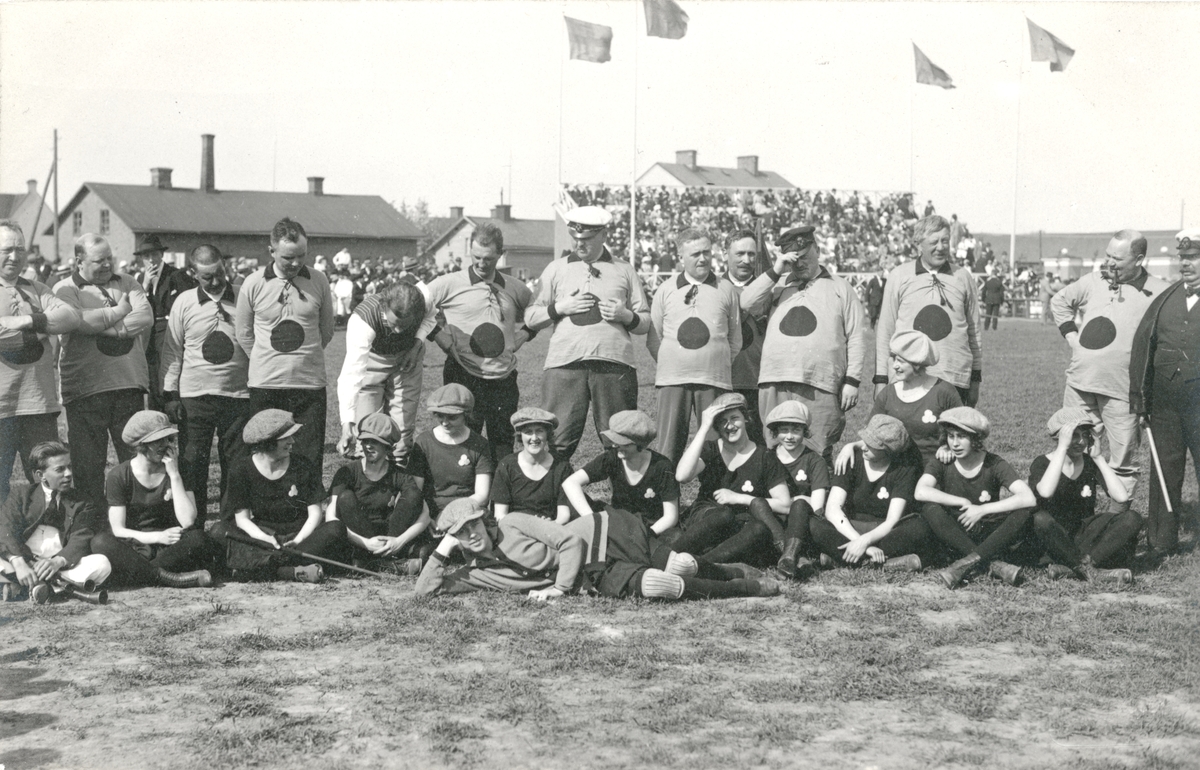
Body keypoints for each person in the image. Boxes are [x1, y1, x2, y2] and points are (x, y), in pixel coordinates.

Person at [415, 497, 780, 600]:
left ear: (485, 521)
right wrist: (442, 550)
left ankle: (733, 572)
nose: (472, 535)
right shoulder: (477, 573)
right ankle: (741, 590)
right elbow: (425, 591)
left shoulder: (512, 523)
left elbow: (569, 539)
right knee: (657, 586)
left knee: (682, 564)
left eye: (474, 525)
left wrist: (558, 589)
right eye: (462, 534)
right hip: (591, 571)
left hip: (603, 534)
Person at [1051, 230, 1169, 511]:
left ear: (1139, 259)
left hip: (1123, 391)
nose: (1110, 263)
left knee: (1122, 461)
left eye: (1117, 258)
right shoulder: (1094, 280)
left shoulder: (1161, 291)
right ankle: (1073, 516)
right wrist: (1071, 336)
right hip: (1080, 383)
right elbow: (1060, 302)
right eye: (1107, 256)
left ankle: (1117, 529)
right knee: (1072, 449)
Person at [525, 206, 651, 460]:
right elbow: (531, 317)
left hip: (614, 366)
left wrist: (625, 315)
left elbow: (645, 322)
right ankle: (551, 499)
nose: (579, 244)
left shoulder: (624, 270)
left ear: (604, 235)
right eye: (576, 238)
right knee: (556, 440)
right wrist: (559, 307)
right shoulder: (556, 268)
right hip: (565, 365)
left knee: (621, 439)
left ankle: (624, 499)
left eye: (587, 239)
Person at [739, 225, 866, 459]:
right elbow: (747, 303)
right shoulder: (777, 285)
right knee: (774, 446)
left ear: (817, 250)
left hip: (820, 381)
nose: (800, 264)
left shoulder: (841, 287)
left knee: (817, 447)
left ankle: (817, 493)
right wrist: (776, 270)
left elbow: (857, 335)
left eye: (805, 256)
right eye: (794, 260)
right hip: (775, 379)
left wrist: (852, 380)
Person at [418, 224, 535, 458]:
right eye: (476, 257)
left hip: (503, 378)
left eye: (489, 259)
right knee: (463, 442)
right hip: (463, 374)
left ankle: (497, 493)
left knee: (502, 442)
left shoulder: (514, 286)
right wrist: (437, 334)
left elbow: (539, 310)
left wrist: (524, 334)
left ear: (500, 255)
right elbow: (412, 303)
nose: (482, 264)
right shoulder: (449, 282)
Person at [55, 233, 154, 506]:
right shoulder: (65, 289)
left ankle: (138, 520)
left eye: (110, 258)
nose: (108, 265)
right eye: (100, 260)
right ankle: (92, 526)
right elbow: (79, 322)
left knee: (136, 462)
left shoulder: (128, 281)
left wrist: (111, 330)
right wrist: (120, 310)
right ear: (79, 262)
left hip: (128, 386)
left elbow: (145, 316)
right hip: (85, 391)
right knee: (88, 468)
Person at [235, 217, 335, 472]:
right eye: (288, 258)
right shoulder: (253, 283)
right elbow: (244, 333)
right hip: (266, 384)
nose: (296, 263)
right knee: (266, 454)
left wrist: (302, 356)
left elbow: (327, 330)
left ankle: (308, 510)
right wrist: (267, 358)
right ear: (271, 252)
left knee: (308, 455)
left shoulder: (319, 280)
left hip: (308, 384)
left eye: (301, 256)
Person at [162, 245, 251, 523]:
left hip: (237, 395)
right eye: (207, 277)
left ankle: (229, 527)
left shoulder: (244, 297)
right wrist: (170, 395)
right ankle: (194, 527)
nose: (215, 282)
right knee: (192, 465)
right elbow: (172, 351)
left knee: (235, 465)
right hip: (194, 398)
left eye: (219, 274)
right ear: (193, 274)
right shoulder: (184, 302)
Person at [210, 409, 347, 582]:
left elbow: (315, 513)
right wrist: (265, 539)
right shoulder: (241, 469)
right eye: (286, 438)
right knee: (218, 531)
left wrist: (298, 540)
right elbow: (242, 519)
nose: (292, 441)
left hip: (300, 538)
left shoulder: (303, 465)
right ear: (267, 442)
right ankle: (289, 569)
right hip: (263, 539)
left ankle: (263, 568)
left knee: (335, 529)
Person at [1130, 227, 1200, 560]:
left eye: (1194, 257)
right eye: (1183, 257)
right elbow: (1143, 349)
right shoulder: (1165, 300)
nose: (1187, 264)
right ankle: (1161, 541)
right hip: (1165, 407)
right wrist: (1140, 401)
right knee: (1164, 471)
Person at [0, 220, 80, 503]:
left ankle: (46, 542)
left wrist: (26, 320)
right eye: (7, 249)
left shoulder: (38, 288)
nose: (14, 256)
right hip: (2, 407)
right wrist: (45, 328)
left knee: (47, 485)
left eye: (20, 249)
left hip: (39, 404)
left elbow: (70, 317)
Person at [89, 411, 216, 588]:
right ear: (141, 445)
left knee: (199, 538)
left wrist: (174, 475)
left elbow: (188, 521)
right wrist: (157, 536)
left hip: (170, 547)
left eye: (168, 439)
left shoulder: (181, 468)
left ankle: (141, 575)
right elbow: (118, 529)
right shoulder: (119, 475)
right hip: (136, 546)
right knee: (100, 542)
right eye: (157, 441)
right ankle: (167, 577)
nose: (165, 445)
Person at [647, 228, 742, 463]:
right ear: (681, 257)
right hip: (672, 381)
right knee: (668, 445)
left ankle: (710, 497)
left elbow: (735, 339)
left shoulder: (726, 289)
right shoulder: (665, 289)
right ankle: (668, 497)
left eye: (707, 252)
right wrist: (674, 364)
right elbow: (653, 338)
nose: (703, 258)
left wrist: (714, 362)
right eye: (695, 254)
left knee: (714, 444)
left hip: (713, 380)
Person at [914, 407, 1036, 589]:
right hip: (956, 532)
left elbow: (1028, 497)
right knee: (928, 507)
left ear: (976, 439)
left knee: (1025, 511)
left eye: (961, 437)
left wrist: (982, 509)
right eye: (951, 436)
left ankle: (966, 563)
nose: (955, 443)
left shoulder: (993, 463)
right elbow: (920, 491)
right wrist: (961, 502)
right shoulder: (943, 460)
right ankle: (991, 564)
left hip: (989, 533)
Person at [673, 393, 792, 565]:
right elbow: (682, 476)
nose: (729, 426)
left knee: (758, 529)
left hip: (741, 522)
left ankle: (703, 565)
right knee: (724, 515)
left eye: (734, 418)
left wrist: (739, 498)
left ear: (746, 419)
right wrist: (704, 427)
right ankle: (669, 556)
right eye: (722, 421)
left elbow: (785, 504)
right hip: (708, 517)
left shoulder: (764, 456)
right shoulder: (711, 449)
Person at [876, 215, 982, 407]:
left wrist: (975, 379)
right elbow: (885, 332)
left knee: (952, 436)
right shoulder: (899, 276)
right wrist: (881, 379)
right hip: (909, 378)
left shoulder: (963, 277)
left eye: (945, 241)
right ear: (918, 245)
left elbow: (974, 334)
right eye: (934, 242)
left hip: (954, 377)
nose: (941, 247)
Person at [1027, 408, 1138, 585]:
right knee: (1039, 519)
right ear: (1059, 438)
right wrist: (1062, 449)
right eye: (1074, 435)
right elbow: (1045, 492)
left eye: (1085, 435)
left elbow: (1122, 497)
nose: (1081, 441)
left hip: (1083, 536)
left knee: (1131, 518)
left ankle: (1077, 567)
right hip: (1054, 537)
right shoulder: (1042, 463)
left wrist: (1099, 458)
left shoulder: (1089, 463)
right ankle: (1091, 570)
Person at [808, 414, 929, 571]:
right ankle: (879, 562)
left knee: (920, 527)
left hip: (883, 533)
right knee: (813, 522)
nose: (863, 447)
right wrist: (861, 543)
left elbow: (892, 520)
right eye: (865, 441)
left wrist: (865, 541)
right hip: (849, 528)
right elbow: (832, 509)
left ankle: (845, 560)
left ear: (888, 451)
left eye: (872, 445)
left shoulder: (904, 469)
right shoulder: (851, 459)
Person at [0, 442, 111, 603]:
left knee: (102, 563)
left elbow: (81, 536)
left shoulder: (82, 501)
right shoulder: (22, 495)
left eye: (69, 467)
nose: (68, 474)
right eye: (60, 469)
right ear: (40, 475)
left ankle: (31, 586)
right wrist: (19, 563)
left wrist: (57, 562)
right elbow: (5, 528)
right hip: (23, 560)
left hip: (59, 564)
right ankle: (51, 586)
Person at [836, 330, 961, 469]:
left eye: (900, 361)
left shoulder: (944, 391)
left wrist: (948, 447)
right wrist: (850, 446)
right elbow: (871, 437)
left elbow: (963, 433)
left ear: (917, 364)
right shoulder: (888, 393)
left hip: (934, 468)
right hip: (896, 470)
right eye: (894, 359)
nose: (894, 365)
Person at [326, 413, 430, 575]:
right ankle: (385, 563)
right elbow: (331, 516)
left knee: (413, 496)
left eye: (375, 442)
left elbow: (424, 514)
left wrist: (398, 541)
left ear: (389, 447)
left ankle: (372, 561)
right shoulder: (347, 472)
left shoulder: (400, 474)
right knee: (345, 497)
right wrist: (366, 543)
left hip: (389, 535)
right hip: (357, 537)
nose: (368, 446)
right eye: (365, 441)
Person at [336, 282, 426, 457]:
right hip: (372, 361)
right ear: (384, 306)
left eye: (405, 324)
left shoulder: (425, 300)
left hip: (407, 360)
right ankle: (368, 473)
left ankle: (399, 467)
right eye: (395, 323)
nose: (399, 330)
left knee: (403, 426)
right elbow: (351, 374)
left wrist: (416, 345)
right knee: (368, 426)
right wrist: (347, 423)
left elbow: (430, 318)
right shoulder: (363, 319)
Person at [562, 410, 681, 535]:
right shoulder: (612, 458)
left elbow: (671, 517)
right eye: (614, 441)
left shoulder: (662, 466)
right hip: (618, 522)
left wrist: (646, 535)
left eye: (622, 443)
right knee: (572, 499)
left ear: (639, 444)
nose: (615, 445)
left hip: (650, 528)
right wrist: (591, 519)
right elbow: (570, 483)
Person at [766, 401, 830, 580]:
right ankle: (798, 559)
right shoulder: (767, 457)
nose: (789, 436)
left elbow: (817, 506)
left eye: (796, 430)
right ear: (775, 432)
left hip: (803, 521)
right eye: (783, 430)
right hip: (774, 521)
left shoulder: (814, 461)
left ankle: (790, 556)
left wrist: (791, 502)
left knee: (801, 504)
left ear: (805, 432)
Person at [413, 384, 495, 519]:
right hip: (428, 512)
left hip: (467, 511)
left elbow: (482, 495)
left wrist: (451, 514)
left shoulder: (479, 444)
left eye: (452, 417)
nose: (445, 422)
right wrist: (425, 518)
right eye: (440, 416)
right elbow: (416, 490)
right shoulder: (424, 441)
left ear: (466, 415)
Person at [134, 235, 196, 410]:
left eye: (154, 254)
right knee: (152, 375)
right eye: (146, 256)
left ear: (161, 255)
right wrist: (145, 284)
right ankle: (157, 416)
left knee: (168, 372)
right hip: (148, 333)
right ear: (141, 259)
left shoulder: (176, 275)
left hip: (169, 329)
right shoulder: (139, 279)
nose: (151, 260)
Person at [491, 408, 572, 524]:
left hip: (550, 528)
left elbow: (564, 515)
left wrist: (547, 526)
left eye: (539, 431)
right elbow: (500, 515)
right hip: (515, 531)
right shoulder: (507, 465)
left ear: (548, 435)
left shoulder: (562, 467)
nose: (534, 438)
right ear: (520, 436)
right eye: (528, 432)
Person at [724, 230, 767, 442]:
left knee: (759, 443)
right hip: (723, 380)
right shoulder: (712, 287)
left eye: (751, 254)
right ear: (726, 254)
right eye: (740, 254)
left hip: (760, 381)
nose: (746, 260)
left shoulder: (769, 288)